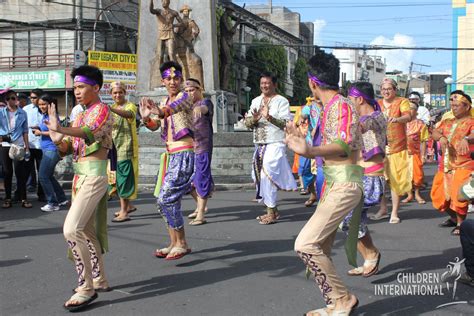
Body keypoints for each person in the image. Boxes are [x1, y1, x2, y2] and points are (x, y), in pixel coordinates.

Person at [286, 48, 361, 315]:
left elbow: (343, 145)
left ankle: (343, 299)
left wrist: (309, 150)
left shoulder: (341, 105)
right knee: (321, 249)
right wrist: (303, 142)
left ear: (312, 82)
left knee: (305, 244)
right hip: (333, 183)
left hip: (344, 183)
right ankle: (335, 303)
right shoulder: (329, 107)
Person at [45, 65, 113, 311]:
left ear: (96, 87)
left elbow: (89, 133)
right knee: (85, 231)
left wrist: (60, 129)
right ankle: (100, 279)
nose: (77, 91)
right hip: (80, 177)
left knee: (71, 230)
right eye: (75, 87)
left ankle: (86, 287)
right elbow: (68, 148)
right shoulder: (79, 114)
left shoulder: (102, 110)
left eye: (82, 86)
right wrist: (56, 138)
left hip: (94, 177)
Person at [139, 61, 194, 260]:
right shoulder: (164, 101)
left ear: (181, 79)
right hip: (170, 156)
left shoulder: (186, 97)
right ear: (163, 81)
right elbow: (156, 126)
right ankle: (174, 242)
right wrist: (146, 118)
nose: (173, 81)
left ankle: (182, 243)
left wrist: (158, 111)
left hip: (183, 154)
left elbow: (170, 110)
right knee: (166, 201)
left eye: (176, 78)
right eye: (168, 78)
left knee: (165, 198)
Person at [342, 82, 386, 277]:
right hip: (364, 175)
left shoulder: (372, 119)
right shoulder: (369, 119)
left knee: (349, 220)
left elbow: (368, 139)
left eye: (350, 99)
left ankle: (371, 255)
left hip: (371, 178)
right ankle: (370, 256)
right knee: (349, 220)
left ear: (359, 99)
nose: (349, 103)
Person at [244, 71, 297, 225]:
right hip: (260, 144)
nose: (264, 86)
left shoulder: (282, 102)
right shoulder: (255, 101)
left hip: (275, 143)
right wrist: (253, 119)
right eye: (262, 83)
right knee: (259, 177)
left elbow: (286, 124)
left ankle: (271, 212)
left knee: (268, 175)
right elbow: (247, 124)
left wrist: (269, 117)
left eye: (267, 83)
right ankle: (272, 210)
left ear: (275, 84)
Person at [431, 90, 473, 236]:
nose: (453, 108)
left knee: (458, 196)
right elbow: (434, 132)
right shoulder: (447, 121)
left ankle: (462, 224)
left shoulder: (472, 122)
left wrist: (467, 139)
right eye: (452, 105)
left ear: (467, 107)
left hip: (464, 165)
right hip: (446, 165)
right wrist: (441, 137)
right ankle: (454, 218)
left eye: (457, 105)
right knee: (438, 196)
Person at [370, 78, 412, 224]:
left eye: (389, 89)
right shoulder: (377, 104)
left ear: (395, 90)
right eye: (383, 89)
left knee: (394, 181)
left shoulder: (402, 101)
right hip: (379, 147)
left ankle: (394, 212)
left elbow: (408, 116)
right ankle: (383, 209)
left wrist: (398, 119)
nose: (386, 91)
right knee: (380, 180)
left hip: (397, 148)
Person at [107, 81, 139, 223]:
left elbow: (128, 114)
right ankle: (127, 206)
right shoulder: (112, 107)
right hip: (114, 147)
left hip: (126, 148)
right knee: (116, 178)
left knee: (123, 179)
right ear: (111, 94)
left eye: (120, 92)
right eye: (115, 92)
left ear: (125, 93)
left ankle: (124, 212)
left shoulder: (130, 105)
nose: (118, 95)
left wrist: (111, 110)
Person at [184, 78, 214, 226]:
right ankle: (200, 206)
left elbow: (204, 109)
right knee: (188, 181)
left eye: (192, 90)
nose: (190, 93)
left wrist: (198, 110)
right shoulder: (186, 105)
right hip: (189, 147)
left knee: (201, 179)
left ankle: (201, 214)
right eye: (187, 90)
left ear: (199, 89)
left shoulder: (205, 102)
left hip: (203, 146)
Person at [34, 94, 69, 212]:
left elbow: (55, 131)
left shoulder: (52, 115)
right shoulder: (45, 115)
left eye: (44, 104)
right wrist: (37, 127)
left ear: (50, 104)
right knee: (48, 176)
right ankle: (62, 199)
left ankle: (52, 203)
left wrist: (40, 133)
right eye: (40, 104)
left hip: (52, 149)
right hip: (47, 150)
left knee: (43, 176)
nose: (42, 106)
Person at [0, 90, 31, 209]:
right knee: (7, 172)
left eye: (12, 98)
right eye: (7, 99)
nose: (10, 101)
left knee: (20, 173)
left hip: (18, 145)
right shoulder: (1, 112)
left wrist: (27, 146)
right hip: (4, 145)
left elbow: (25, 131)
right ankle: (8, 198)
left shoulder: (22, 113)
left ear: (16, 99)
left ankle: (24, 198)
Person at [402, 103, 429, 204]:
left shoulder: (421, 124)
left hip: (415, 153)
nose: (409, 110)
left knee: (418, 176)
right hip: (403, 154)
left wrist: (423, 155)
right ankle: (409, 195)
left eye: (411, 108)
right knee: (405, 176)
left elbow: (423, 141)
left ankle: (417, 194)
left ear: (416, 111)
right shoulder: (401, 123)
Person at [23, 88, 46, 201]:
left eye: (35, 97)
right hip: (29, 145)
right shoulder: (25, 110)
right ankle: (22, 195)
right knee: (25, 171)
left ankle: (41, 195)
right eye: (31, 97)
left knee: (42, 171)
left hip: (42, 145)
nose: (32, 100)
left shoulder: (47, 109)